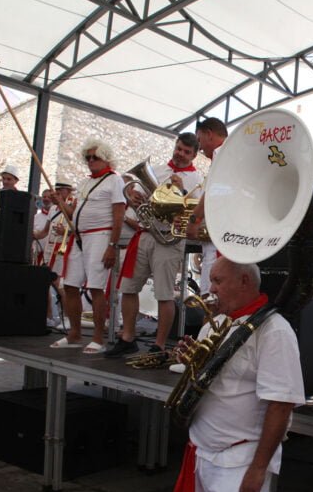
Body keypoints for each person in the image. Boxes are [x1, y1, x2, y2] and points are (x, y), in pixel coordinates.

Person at [171, 257, 305, 492]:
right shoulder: (215, 324)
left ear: (244, 281)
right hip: (200, 453)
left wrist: (258, 469)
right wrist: (191, 363)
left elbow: (281, 404)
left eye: (218, 281)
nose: (211, 289)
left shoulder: (275, 330)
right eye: (211, 280)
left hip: (239, 462)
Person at [106, 133, 203, 358]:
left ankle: (159, 345)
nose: (180, 154)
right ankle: (127, 337)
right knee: (128, 287)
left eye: (186, 152)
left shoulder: (196, 180)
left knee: (164, 293)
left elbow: (194, 210)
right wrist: (133, 197)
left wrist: (180, 192)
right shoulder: (158, 170)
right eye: (179, 148)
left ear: (194, 155)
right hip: (146, 233)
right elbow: (138, 196)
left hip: (170, 239)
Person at [49, 139, 125, 353]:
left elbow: (118, 215)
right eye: (88, 157)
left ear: (106, 158)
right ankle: (74, 333)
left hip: (101, 236)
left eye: (95, 157)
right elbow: (73, 214)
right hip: (79, 237)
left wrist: (112, 245)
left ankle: (99, 338)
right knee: (70, 285)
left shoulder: (115, 181)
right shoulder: (84, 183)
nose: (90, 161)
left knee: (96, 287)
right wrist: (61, 203)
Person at [186, 117, 228, 295]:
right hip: (218, 239)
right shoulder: (226, 155)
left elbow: (212, 192)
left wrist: (194, 220)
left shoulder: (223, 154)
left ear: (209, 134)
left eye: (199, 139)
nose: (199, 146)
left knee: (210, 297)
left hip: (219, 241)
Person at [34, 179, 76, 327]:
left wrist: (66, 231)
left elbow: (79, 231)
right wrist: (31, 234)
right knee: (44, 284)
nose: (57, 193)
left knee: (59, 285)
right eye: (56, 191)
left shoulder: (73, 208)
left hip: (62, 252)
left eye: (61, 191)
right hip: (49, 250)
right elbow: (45, 231)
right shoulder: (52, 209)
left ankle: (67, 318)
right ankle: (48, 316)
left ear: (68, 192)